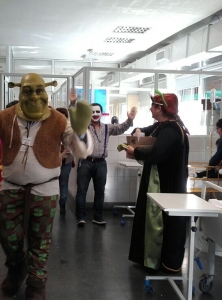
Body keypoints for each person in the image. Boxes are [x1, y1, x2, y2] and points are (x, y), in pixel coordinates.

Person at [0, 73, 93, 300]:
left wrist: (80, 131)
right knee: (7, 234)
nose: (35, 96)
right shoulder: (4, 117)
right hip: (11, 187)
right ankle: (16, 268)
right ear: (19, 92)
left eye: (40, 90)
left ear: (46, 91)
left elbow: (82, 151)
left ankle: (37, 284)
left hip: (45, 189)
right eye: (28, 91)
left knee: (40, 238)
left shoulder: (58, 119)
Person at [125, 90, 189, 273]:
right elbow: (149, 131)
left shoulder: (171, 130)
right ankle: (150, 257)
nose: (150, 109)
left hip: (163, 183)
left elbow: (157, 152)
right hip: (159, 179)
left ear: (160, 109)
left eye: (153, 106)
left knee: (157, 219)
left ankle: (156, 259)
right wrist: (138, 131)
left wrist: (135, 152)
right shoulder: (166, 126)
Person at [71, 100, 137, 227]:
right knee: (81, 191)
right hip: (85, 162)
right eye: (92, 112)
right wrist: (73, 106)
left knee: (100, 191)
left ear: (101, 113)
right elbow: (74, 125)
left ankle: (98, 217)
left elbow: (120, 128)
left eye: (97, 111)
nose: (95, 114)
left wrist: (129, 120)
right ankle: (80, 217)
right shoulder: (83, 127)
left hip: (101, 163)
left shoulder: (108, 127)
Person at [56, 107, 74, 215]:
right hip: (53, 162)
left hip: (66, 161)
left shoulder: (70, 129)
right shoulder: (51, 128)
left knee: (63, 183)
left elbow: (70, 146)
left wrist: (62, 155)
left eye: (64, 116)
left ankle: (62, 205)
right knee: (52, 183)